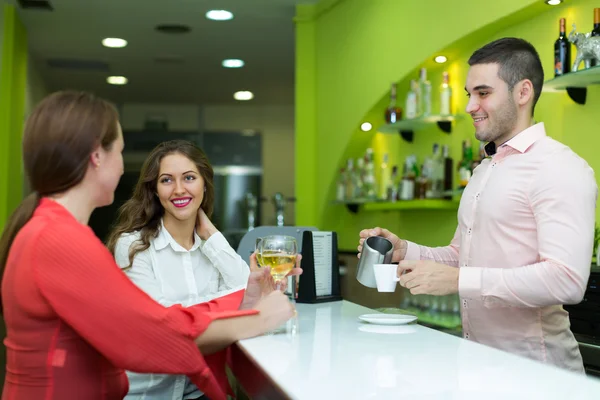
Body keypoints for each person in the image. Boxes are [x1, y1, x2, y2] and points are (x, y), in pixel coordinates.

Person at [0, 91, 295, 400]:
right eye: (120, 151)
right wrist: (257, 317)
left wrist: (246, 301)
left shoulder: (51, 231)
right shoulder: (60, 241)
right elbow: (155, 334)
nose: (121, 166)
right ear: (97, 157)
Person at [358, 38, 597, 373]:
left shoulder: (559, 167)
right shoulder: (486, 168)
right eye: (469, 94)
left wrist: (459, 281)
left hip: (539, 377)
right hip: (477, 366)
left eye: (483, 93)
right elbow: (461, 256)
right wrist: (404, 249)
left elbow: (567, 281)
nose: (470, 106)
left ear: (523, 92)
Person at [105, 140, 300, 400]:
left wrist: (212, 233)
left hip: (201, 392)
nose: (178, 189)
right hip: (150, 394)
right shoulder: (133, 246)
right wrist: (230, 310)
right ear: (154, 190)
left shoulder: (212, 250)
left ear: (204, 185)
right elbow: (165, 331)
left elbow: (248, 297)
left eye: (188, 178)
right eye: (166, 180)